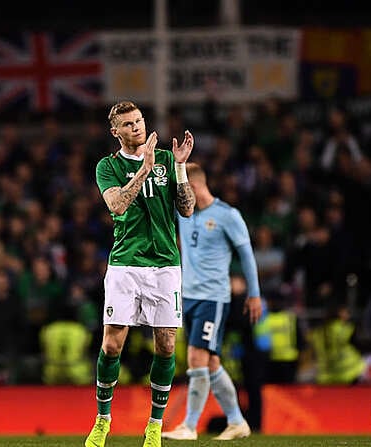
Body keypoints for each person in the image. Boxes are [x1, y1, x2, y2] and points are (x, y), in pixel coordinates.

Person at [85, 100, 196, 447]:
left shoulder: (166, 158)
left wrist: (179, 169)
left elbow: (188, 209)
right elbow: (117, 204)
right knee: (112, 344)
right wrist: (143, 170)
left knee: (165, 346)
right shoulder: (108, 166)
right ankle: (103, 420)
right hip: (125, 264)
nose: (137, 127)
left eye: (139, 120)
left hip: (165, 264)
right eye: (128, 124)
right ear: (115, 131)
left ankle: (154, 426)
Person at [161, 162, 262, 441]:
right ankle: (237, 421)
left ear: (192, 187)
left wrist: (254, 294)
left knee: (197, 357)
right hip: (188, 297)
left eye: (182, 190)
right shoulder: (184, 214)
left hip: (213, 298)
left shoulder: (227, 216)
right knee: (211, 363)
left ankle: (189, 426)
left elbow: (247, 256)